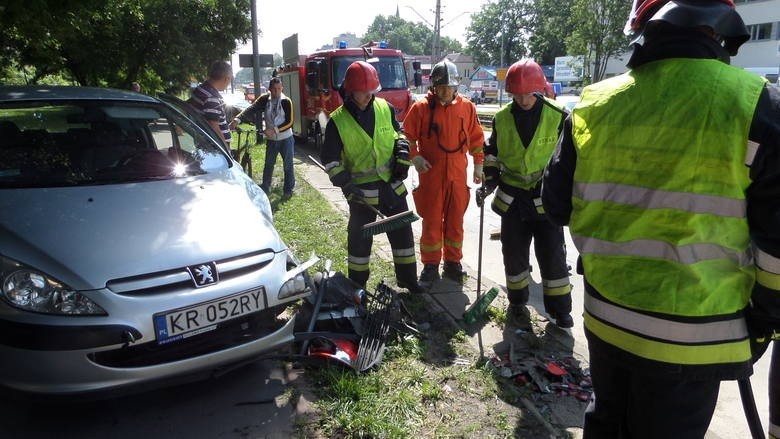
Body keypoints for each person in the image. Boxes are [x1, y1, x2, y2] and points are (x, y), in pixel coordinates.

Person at [541, 0, 780, 437]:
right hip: (695, 342)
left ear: (644, 27)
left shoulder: (593, 104)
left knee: (607, 425)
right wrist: (766, 319)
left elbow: (556, 205)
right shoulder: (757, 104)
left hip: (607, 321)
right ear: (718, 29)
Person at [476, 59, 573, 328]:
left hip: (546, 198)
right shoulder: (502, 117)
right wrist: (489, 181)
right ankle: (518, 304)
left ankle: (561, 311)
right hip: (513, 199)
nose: (522, 100)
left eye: (527, 94)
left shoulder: (559, 116)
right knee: (514, 256)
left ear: (539, 89)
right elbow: (492, 154)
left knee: (553, 256)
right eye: (516, 95)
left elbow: (569, 160)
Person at [320, 61, 423, 294]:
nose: (369, 96)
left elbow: (398, 133)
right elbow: (331, 161)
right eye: (363, 92)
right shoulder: (337, 121)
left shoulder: (385, 108)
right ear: (350, 91)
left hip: (392, 186)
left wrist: (402, 149)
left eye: (372, 91)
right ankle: (357, 286)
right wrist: (346, 184)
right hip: (361, 194)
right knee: (359, 242)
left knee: (403, 236)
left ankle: (408, 281)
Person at [403, 59, 485, 286]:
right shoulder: (421, 109)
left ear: (456, 86)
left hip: (457, 177)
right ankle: (430, 265)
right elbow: (405, 136)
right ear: (433, 87)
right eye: (441, 87)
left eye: (449, 87)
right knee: (431, 222)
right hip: (431, 177)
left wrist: (478, 164)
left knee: (455, 221)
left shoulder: (467, 108)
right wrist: (415, 156)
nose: (446, 91)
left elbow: (477, 139)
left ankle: (452, 263)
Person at [234, 77, 295, 198]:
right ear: (269, 89)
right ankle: (266, 186)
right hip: (272, 140)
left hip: (286, 138)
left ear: (282, 88)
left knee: (288, 165)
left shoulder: (286, 101)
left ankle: (288, 190)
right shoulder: (264, 99)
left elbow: (290, 122)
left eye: (279, 89)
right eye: (274, 89)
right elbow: (252, 108)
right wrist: (238, 119)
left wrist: (274, 130)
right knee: (268, 164)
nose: (277, 92)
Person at [190, 60, 233, 151]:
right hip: (214, 147)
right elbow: (214, 126)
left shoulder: (201, 89)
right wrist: (226, 149)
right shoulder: (212, 98)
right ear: (226, 79)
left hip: (203, 142)